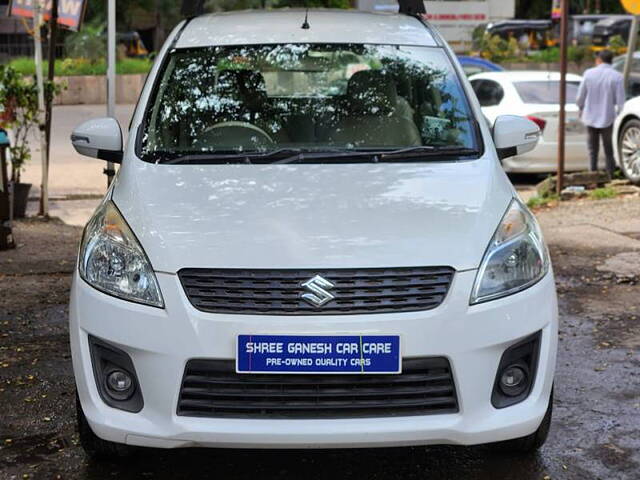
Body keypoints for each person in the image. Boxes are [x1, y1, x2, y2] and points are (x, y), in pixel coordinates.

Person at [576, 49, 626, 177]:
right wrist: (618, 114)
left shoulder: (589, 73)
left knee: (592, 150)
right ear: (611, 60)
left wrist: (580, 108)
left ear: (599, 60)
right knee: (609, 149)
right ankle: (610, 175)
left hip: (590, 116)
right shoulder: (617, 76)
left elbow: (580, 97)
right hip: (608, 117)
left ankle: (592, 175)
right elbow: (621, 101)